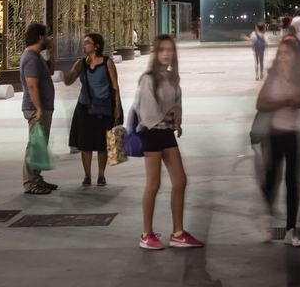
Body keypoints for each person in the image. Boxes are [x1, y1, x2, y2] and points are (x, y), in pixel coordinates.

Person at [135, 34, 201, 250]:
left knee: (180, 181)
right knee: (153, 184)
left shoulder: (173, 78)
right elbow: (147, 114)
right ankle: (146, 234)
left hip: (166, 133)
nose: (166, 54)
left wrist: (176, 119)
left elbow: (176, 103)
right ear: (155, 53)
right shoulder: (148, 79)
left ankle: (178, 233)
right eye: (162, 50)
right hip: (151, 133)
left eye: (170, 50)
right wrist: (168, 117)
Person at [254, 38, 300, 247]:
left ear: (295, 56)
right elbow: (260, 102)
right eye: (281, 53)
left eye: (288, 53)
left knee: (292, 182)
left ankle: (290, 230)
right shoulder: (272, 76)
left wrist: (281, 101)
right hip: (273, 134)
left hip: (294, 134)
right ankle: (267, 219)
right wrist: (284, 101)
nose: (284, 57)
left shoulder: (299, 76)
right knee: (272, 178)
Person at [62, 32, 122, 188]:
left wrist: (117, 107)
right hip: (85, 107)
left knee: (102, 144)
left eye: (88, 42)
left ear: (96, 46)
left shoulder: (107, 62)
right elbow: (68, 81)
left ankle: (101, 175)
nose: (84, 45)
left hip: (104, 107)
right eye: (84, 42)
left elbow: (115, 87)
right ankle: (87, 176)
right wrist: (64, 72)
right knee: (85, 144)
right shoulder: (81, 63)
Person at [20, 22, 58, 194]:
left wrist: (51, 53)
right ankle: (30, 182)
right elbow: (32, 85)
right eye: (47, 35)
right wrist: (39, 109)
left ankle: (36, 178)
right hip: (36, 108)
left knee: (39, 145)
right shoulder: (31, 58)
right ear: (41, 37)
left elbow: (50, 72)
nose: (49, 38)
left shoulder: (36, 56)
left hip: (42, 107)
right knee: (35, 145)